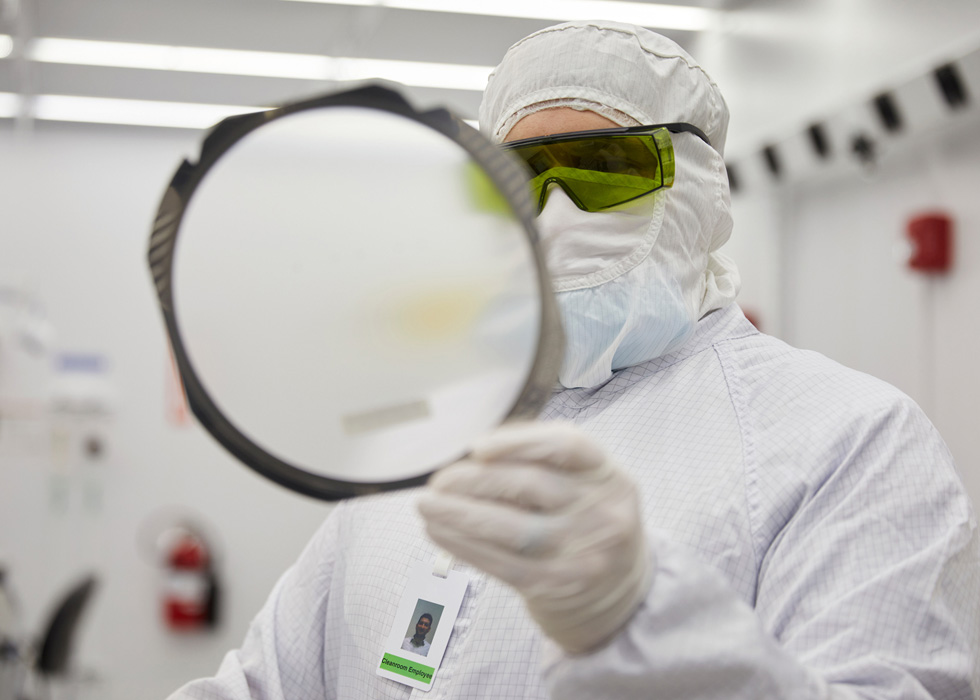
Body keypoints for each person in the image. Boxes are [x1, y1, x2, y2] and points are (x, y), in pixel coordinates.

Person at [169, 20, 980, 699]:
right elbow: (265, 681)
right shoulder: (424, 432)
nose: (553, 214)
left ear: (697, 185)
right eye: (518, 178)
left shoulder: (847, 440)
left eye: (604, 170)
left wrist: (640, 615)